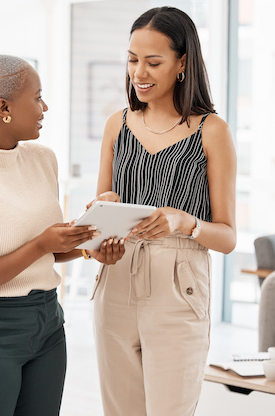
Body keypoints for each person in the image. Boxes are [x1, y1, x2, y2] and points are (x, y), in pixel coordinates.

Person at [0, 55, 125, 416]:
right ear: (4, 107)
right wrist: (43, 244)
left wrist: (87, 247)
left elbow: (48, 248)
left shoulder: (42, 159)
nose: (44, 107)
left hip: (46, 323)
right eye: (37, 97)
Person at [91, 7, 236, 416]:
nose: (139, 73)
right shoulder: (116, 125)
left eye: (153, 62)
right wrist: (97, 228)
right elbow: (100, 216)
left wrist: (185, 222)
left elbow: (227, 237)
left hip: (180, 284)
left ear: (183, 62)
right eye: (133, 60)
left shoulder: (212, 131)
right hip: (115, 279)